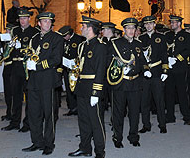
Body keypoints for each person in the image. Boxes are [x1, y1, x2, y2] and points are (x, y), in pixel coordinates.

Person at [21, 12, 64, 155]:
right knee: (34, 113)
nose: (47, 23)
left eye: (49, 21)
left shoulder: (57, 38)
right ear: (38, 23)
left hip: (48, 81)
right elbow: (29, 54)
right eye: (44, 21)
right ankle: (37, 142)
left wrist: (37, 66)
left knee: (49, 114)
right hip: (33, 81)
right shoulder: (34, 39)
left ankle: (48, 143)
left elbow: (56, 59)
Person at [66, 17, 107, 158]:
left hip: (92, 88)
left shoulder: (100, 47)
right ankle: (85, 148)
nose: (81, 28)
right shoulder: (82, 46)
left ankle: (100, 151)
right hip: (82, 87)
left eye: (83, 26)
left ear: (90, 28)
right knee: (83, 120)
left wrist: (96, 92)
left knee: (95, 121)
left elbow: (101, 70)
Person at [107, 17, 145, 148]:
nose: (131, 30)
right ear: (123, 29)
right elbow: (109, 61)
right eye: (128, 28)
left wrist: (145, 70)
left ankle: (133, 136)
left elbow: (142, 61)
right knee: (118, 112)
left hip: (135, 83)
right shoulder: (115, 43)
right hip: (120, 83)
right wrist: (120, 69)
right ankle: (117, 137)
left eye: (133, 28)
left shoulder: (138, 44)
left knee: (134, 112)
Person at [1, 7, 38, 132]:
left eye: (24, 18)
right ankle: (14, 121)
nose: (22, 21)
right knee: (15, 96)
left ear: (29, 19)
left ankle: (27, 123)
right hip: (15, 67)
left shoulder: (34, 32)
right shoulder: (15, 30)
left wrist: (22, 48)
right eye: (21, 18)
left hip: (27, 67)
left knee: (28, 97)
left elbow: (34, 50)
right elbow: (9, 48)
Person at [138, 14, 168, 134]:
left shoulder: (161, 37)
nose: (148, 25)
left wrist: (165, 70)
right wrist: (143, 69)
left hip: (156, 72)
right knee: (144, 101)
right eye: (146, 24)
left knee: (159, 100)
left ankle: (162, 124)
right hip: (145, 74)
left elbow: (164, 55)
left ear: (154, 25)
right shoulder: (141, 38)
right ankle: (146, 124)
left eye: (151, 23)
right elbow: (139, 57)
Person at [164, 14, 190, 125]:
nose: (172, 24)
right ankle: (170, 116)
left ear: (179, 23)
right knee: (169, 93)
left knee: (182, 93)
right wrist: (167, 59)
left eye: (174, 22)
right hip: (170, 68)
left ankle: (187, 116)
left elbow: (188, 50)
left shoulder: (186, 35)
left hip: (180, 68)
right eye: (171, 22)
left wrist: (177, 58)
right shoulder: (168, 35)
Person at [60, 25, 85, 116]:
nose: (64, 38)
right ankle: (72, 107)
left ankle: (79, 108)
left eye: (65, 35)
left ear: (69, 34)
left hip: (76, 69)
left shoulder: (79, 39)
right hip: (67, 68)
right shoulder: (64, 40)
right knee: (68, 88)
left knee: (77, 88)